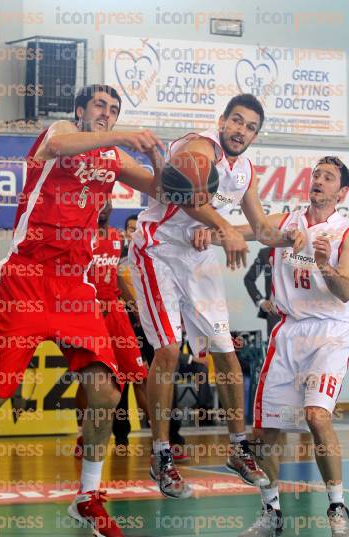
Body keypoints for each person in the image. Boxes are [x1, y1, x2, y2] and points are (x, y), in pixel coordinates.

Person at [0, 84, 165, 537]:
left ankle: (88, 497)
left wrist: (165, 162)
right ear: (81, 110)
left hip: (74, 285)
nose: (106, 113)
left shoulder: (113, 158)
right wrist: (124, 135)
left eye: (114, 109)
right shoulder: (61, 133)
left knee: (106, 391)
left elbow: (163, 189)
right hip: (26, 276)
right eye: (100, 106)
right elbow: (60, 144)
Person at [130, 93, 304, 499]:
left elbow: (260, 227)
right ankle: (161, 453)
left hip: (199, 258)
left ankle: (239, 448)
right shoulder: (198, 146)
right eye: (237, 121)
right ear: (222, 120)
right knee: (170, 351)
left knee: (227, 351)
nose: (242, 131)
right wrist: (224, 228)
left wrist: (293, 240)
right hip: (158, 248)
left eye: (250, 127)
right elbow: (189, 197)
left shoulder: (245, 170)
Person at [237, 156, 349, 537]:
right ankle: (271, 513)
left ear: (342, 192)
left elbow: (346, 291)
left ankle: (337, 507)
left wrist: (324, 266)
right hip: (288, 331)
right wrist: (212, 230)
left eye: (328, 177)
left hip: (330, 331)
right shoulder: (288, 222)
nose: (318, 180)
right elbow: (252, 230)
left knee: (318, 416)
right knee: (267, 432)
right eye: (316, 174)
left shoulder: (345, 230)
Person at [74, 199, 149, 455]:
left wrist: (134, 304)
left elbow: (116, 273)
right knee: (89, 380)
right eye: (99, 201)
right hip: (88, 313)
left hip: (115, 311)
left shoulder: (117, 236)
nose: (104, 206)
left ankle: (161, 443)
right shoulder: (80, 235)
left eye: (108, 201)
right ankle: (82, 435)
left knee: (140, 374)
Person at [244, 247, 280, 338]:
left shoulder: (304, 252)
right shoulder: (265, 253)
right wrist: (261, 301)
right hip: (274, 315)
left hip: (301, 315)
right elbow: (249, 279)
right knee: (274, 350)